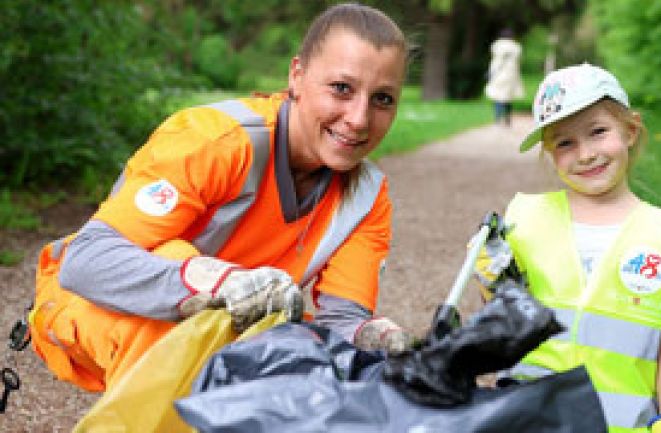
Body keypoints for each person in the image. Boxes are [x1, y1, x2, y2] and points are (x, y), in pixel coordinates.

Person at [28, 3, 412, 393]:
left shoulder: (365, 196)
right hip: (93, 301)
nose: (359, 119)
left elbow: (340, 321)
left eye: (383, 99)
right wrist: (219, 284)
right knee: (177, 264)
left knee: (325, 363)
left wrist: (373, 338)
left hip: (221, 327)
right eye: (342, 89)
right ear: (296, 75)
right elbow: (84, 263)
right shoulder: (215, 141)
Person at [474, 63, 661, 433]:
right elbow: (502, 326)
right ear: (549, 151)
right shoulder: (526, 219)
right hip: (531, 417)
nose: (585, 154)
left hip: (623, 423)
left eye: (598, 132)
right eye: (565, 142)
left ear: (630, 130)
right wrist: (489, 285)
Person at [484, 28, 525, 126]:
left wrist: (490, 73)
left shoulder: (498, 45)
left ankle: (497, 119)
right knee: (508, 98)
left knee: (498, 96)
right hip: (511, 75)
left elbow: (497, 62)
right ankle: (507, 118)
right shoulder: (516, 47)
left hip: (499, 74)